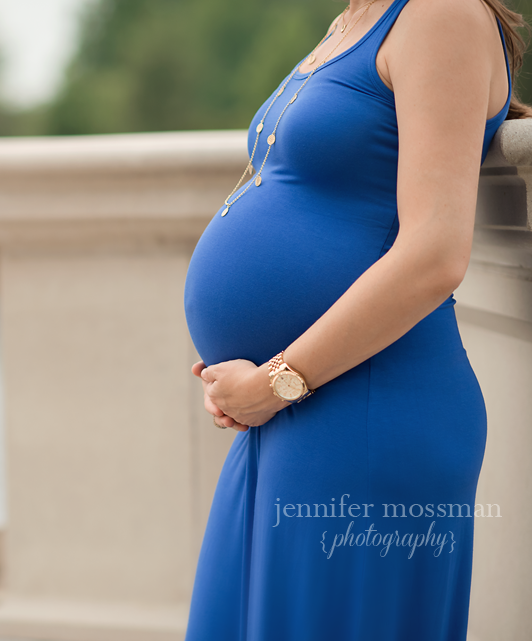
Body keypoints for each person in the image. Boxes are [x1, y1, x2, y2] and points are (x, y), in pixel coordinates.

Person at [181, 0, 530, 639]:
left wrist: (276, 381)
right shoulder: (357, 17)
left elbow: (434, 254)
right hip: (292, 411)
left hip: (368, 409)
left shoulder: (439, 13)